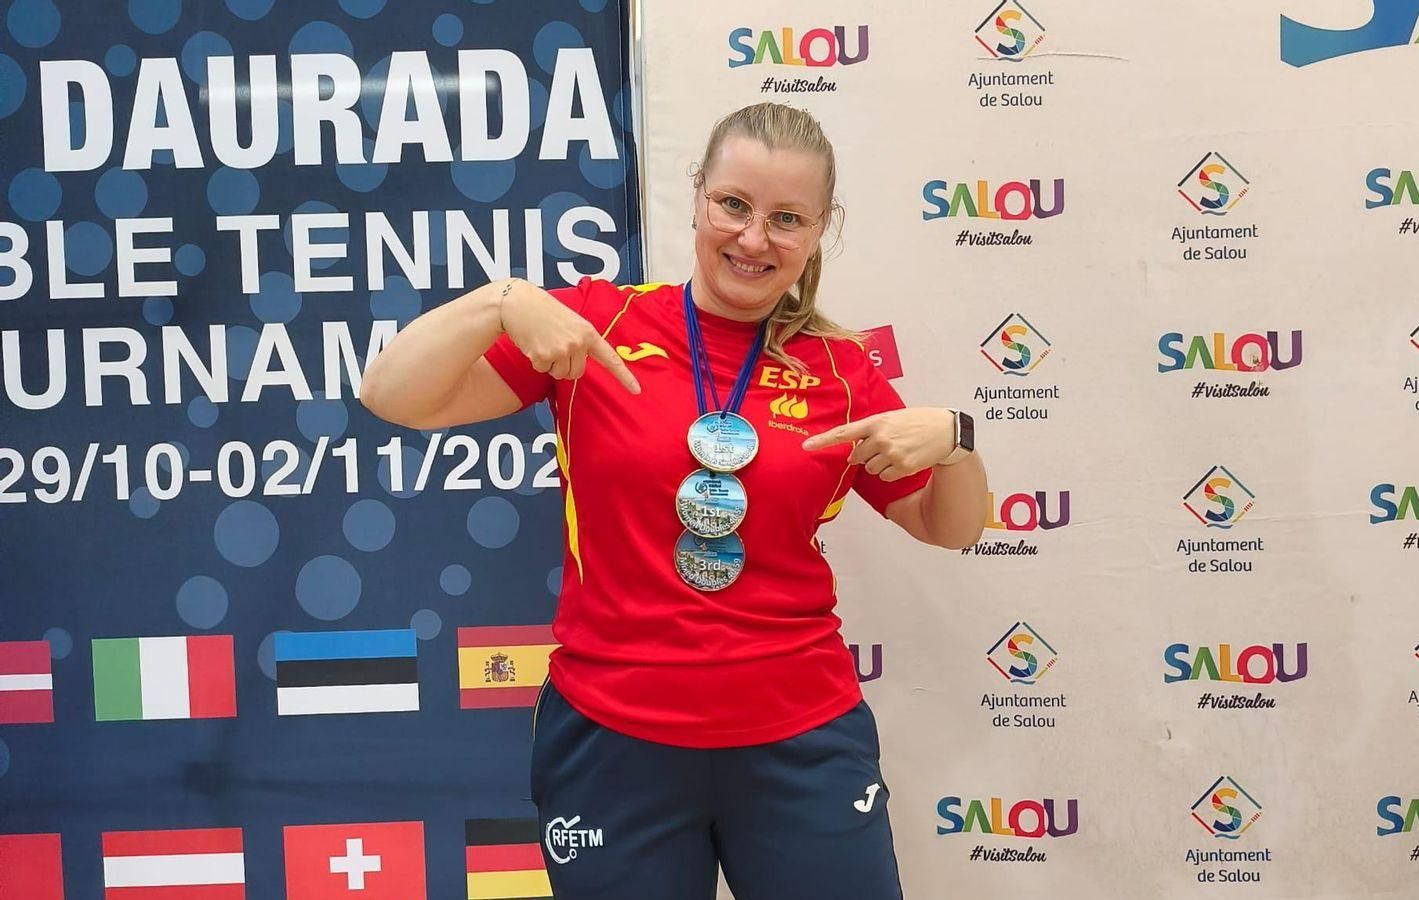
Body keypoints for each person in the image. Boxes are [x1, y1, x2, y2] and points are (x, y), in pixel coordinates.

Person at [360, 102, 988, 899]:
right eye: (733, 204)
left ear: (820, 228)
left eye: (786, 218)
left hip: (800, 741)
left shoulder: (840, 369)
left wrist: (960, 441)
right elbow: (391, 395)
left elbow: (947, 527)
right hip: (613, 740)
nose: (754, 239)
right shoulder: (599, 324)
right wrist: (498, 299)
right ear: (697, 197)